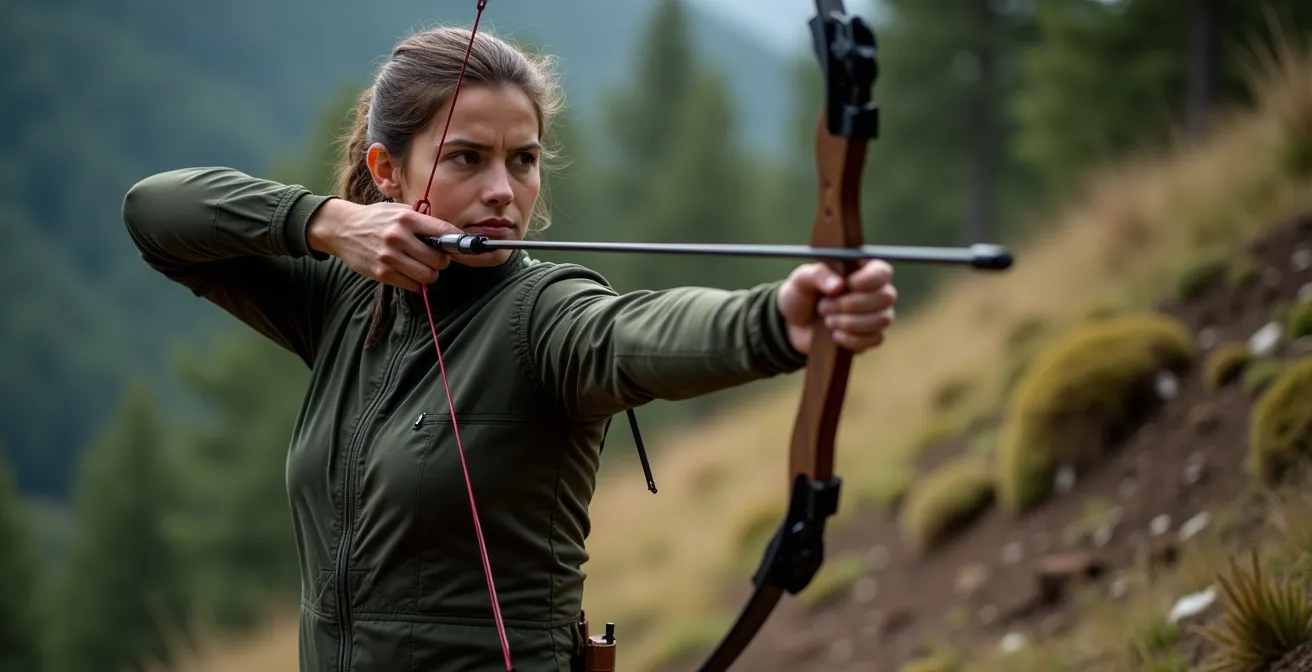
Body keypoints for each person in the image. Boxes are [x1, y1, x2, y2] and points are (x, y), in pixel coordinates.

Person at [122, 25, 898, 672]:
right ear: (387, 171)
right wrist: (324, 222)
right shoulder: (340, 299)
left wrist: (779, 321)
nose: (504, 191)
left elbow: (631, 334)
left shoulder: (543, 316)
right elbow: (155, 214)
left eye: (522, 160)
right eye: (468, 158)